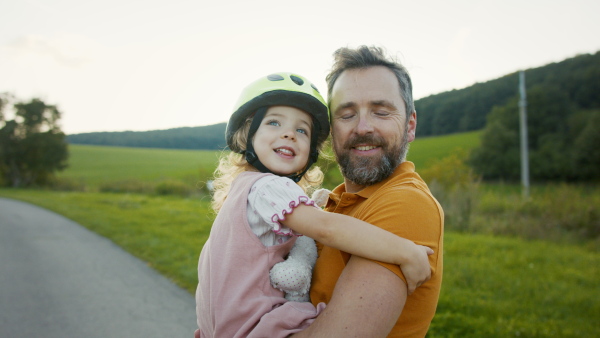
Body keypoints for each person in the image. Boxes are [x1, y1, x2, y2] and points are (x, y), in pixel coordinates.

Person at [195, 72, 434, 338]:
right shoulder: (267, 187)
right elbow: (326, 228)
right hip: (260, 328)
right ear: (246, 135)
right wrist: (405, 251)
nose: (289, 134)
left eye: (301, 130)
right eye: (274, 123)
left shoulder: (242, 190)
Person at [293, 46, 445, 337]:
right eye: (346, 114)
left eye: (381, 111)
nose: (363, 127)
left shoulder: (406, 202)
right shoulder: (328, 205)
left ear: (410, 125)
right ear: (330, 130)